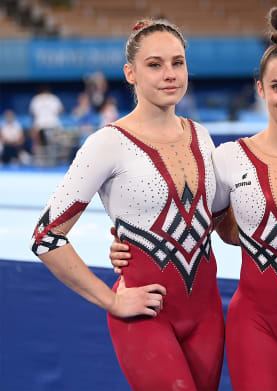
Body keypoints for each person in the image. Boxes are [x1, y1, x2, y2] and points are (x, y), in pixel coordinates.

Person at [110, 5, 277, 390]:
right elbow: (208, 226)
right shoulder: (227, 157)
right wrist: (124, 244)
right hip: (253, 324)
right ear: (260, 89)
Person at [30, 18, 225, 390]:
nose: (169, 74)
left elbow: (218, 221)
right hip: (145, 316)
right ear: (130, 73)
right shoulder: (108, 143)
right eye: (155, 64)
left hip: (207, 314)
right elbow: (46, 237)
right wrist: (111, 301)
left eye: (177, 62)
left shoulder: (201, 136)